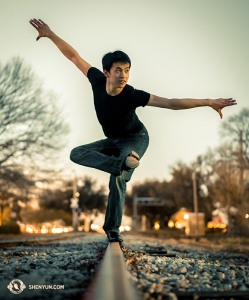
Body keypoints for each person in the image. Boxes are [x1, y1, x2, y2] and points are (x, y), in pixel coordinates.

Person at [29, 18, 237, 242]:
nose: (123, 75)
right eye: (118, 70)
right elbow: (73, 56)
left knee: (117, 179)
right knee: (76, 154)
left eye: (127, 71)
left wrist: (208, 101)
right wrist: (50, 34)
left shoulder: (133, 94)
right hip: (113, 140)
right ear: (106, 72)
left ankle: (112, 229)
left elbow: (171, 103)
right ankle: (120, 164)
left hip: (135, 138)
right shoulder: (96, 80)